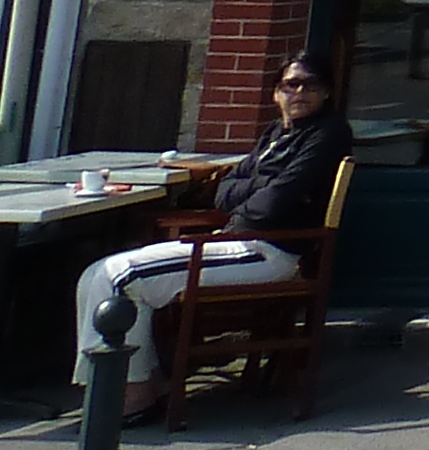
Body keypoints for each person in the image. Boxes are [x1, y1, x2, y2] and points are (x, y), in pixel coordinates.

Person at [76, 53, 352, 422]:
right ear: (276, 93)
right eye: (291, 84)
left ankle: (132, 395)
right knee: (95, 273)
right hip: (233, 242)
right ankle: (139, 383)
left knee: (120, 274)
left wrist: (253, 191)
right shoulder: (274, 135)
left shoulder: (328, 133)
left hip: (269, 251)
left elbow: (273, 205)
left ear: (326, 94)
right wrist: (259, 186)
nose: (300, 92)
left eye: (311, 85)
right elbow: (223, 191)